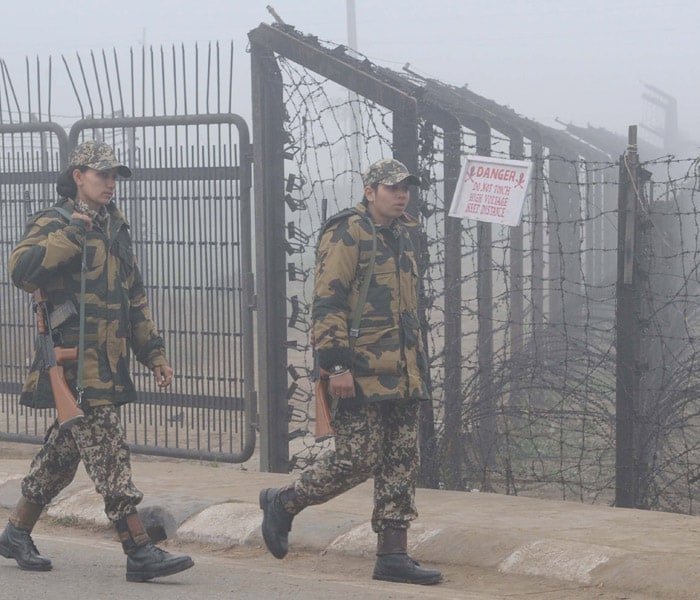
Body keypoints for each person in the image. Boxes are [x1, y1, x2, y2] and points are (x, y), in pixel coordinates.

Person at [0, 140, 194, 582]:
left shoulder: (115, 227)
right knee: (108, 450)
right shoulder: (55, 221)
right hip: (72, 363)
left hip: (108, 360)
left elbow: (134, 298)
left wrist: (154, 353)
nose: (110, 183)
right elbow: (20, 271)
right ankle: (139, 549)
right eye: (101, 174)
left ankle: (15, 532)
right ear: (77, 176)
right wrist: (72, 233)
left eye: (114, 176)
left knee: (61, 456)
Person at [259, 158, 442, 585]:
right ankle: (284, 502)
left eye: (405, 188)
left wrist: (416, 366)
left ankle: (393, 553)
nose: (401, 194)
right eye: (392, 187)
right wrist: (336, 364)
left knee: (401, 460)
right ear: (370, 190)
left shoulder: (401, 236)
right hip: (358, 370)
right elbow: (326, 302)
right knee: (358, 458)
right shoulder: (348, 231)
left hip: (404, 371)